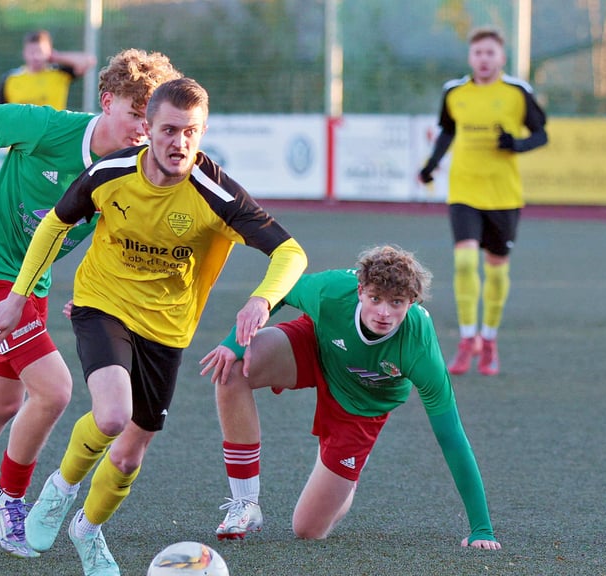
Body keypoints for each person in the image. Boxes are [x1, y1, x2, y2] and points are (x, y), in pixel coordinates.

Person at [0, 78, 308, 576]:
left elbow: (290, 252)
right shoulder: (109, 173)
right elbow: (55, 223)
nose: (180, 143)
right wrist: (16, 298)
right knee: (111, 416)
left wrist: (262, 299)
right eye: (169, 130)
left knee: (130, 456)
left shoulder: (216, 192)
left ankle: (87, 530)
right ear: (147, 130)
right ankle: (59, 490)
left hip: (167, 329)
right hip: (101, 304)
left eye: (191, 132)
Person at [0, 49, 183, 556]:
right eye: (135, 115)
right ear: (106, 102)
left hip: (32, 286)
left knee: (4, 400)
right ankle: (8, 498)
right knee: (53, 390)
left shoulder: (132, 169)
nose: (143, 129)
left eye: (152, 120)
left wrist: (91, 295)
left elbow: (110, 238)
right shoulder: (48, 129)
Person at [200, 245, 502, 550]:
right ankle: (245, 502)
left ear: (411, 302)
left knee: (307, 529)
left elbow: (451, 436)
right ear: (360, 291)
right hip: (317, 346)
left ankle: (347, 477)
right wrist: (234, 344)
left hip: (362, 405)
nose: (383, 313)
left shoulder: (419, 345)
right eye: (375, 299)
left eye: (396, 302)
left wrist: (481, 528)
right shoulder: (331, 291)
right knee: (233, 369)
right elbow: (279, 291)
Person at [418, 26, 547, 376]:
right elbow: (447, 131)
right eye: (478, 53)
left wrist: (515, 145)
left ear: (501, 57)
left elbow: (541, 133)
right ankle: (466, 339)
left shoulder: (517, 92)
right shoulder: (454, 92)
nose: (484, 59)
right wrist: (430, 166)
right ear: (470, 57)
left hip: (503, 195)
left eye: (491, 53)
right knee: (462, 262)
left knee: (495, 268)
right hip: (463, 191)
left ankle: (488, 340)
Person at [0, 29, 97, 110]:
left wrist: (58, 57)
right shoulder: (11, 78)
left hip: (53, 134)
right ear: (24, 53)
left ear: (49, 52)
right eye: (31, 52)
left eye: (40, 51)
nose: (35, 57)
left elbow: (89, 61)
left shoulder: (59, 73)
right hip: (20, 136)